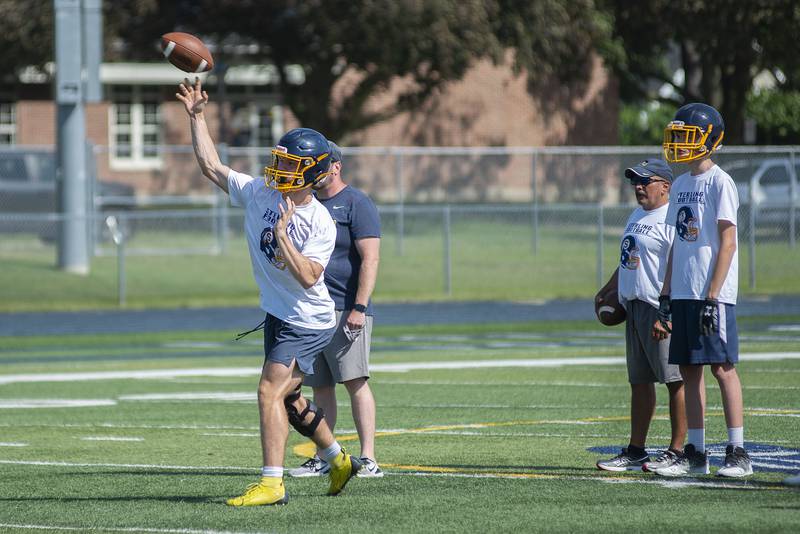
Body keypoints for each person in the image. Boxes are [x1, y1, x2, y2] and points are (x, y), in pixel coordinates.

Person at [176, 77, 361, 506]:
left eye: (292, 164)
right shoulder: (261, 192)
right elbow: (212, 167)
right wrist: (198, 116)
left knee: (268, 391)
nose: (280, 169)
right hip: (279, 314)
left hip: (308, 319)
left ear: (312, 174)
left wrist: (282, 237)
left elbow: (311, 277)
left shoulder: (320, 221)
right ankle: (337, 459)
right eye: (280, 159)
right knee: (293, 402)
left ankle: (272, 483)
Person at [650, 102, 752, 478]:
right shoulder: (679, 184)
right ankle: (696, 451)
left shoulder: (720, 181)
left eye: (687, 137)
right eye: (677, 136)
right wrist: (665, 294)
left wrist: (713, 294)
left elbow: (728, 242)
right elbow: (679, 243)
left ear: (710, 139)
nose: (679, 144)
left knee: (723, 368)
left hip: (713, 294)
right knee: (690, 370)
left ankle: (738, 451)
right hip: (683, 292)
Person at [288, 142, 383, 478]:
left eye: (321, 164)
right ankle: (324, 456)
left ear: (336, 165)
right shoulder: (308, 203)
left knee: (355, 380)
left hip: (346, 307)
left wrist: (359, 307)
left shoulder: (356, 203)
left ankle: (368, 458)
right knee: (320, 387)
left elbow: (370, 258)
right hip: (314, 311)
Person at [595, 158, 687, 472]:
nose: (639, 187)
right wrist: (608, 289)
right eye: (635, 181)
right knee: (640, 381)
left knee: (675, 380)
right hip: (633, 307)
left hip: (658, 308)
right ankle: (637, 450)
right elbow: (628, 259)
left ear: (665, 186)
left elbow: (680, 269)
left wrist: (668, 311)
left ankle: (677, 450)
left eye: (645, 181)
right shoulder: (637, 215)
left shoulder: (672, 218)